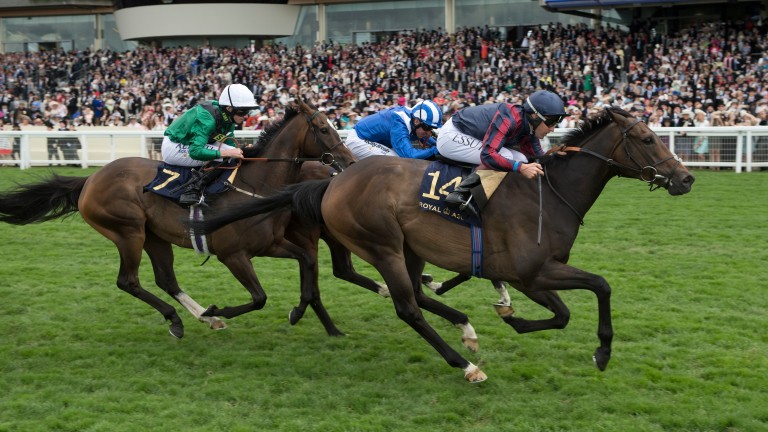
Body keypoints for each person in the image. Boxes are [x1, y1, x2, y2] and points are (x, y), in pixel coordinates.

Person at [438, 89, 565, 208]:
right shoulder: (509, 119)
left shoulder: (529, 128)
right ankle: (460, 192)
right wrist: (521, 168)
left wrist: (554, 155)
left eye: (555, 123)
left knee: (521, 158)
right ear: (535, 116)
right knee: (507, 156)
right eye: (550, 122)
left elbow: (538, 159)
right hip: (451, 135)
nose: (552, 129)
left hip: (467, 133)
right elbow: (488, 155)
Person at [161, 83, 256, 205]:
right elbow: (195, 152)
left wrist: (241, 150)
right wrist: (227, 152)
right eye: (243, 112)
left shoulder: (228, 118)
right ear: (229, 109)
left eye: (248, 111)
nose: (246, 116)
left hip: (189, 143)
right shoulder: (209, 119)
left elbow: (229, 144)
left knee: (231, 152)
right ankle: (193, 190)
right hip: (174, 146)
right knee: (225, 155)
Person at [343, 99, 442, 160]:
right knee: (397, 161)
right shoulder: (399, 124)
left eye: (432, 129)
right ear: (416, 121)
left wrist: (437, 145)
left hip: (370, 139)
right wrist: (434, 150)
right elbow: (410, 155)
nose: (428, 132)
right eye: (427, 127)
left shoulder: (413, 118)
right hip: (359, 140)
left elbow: (426, 138)